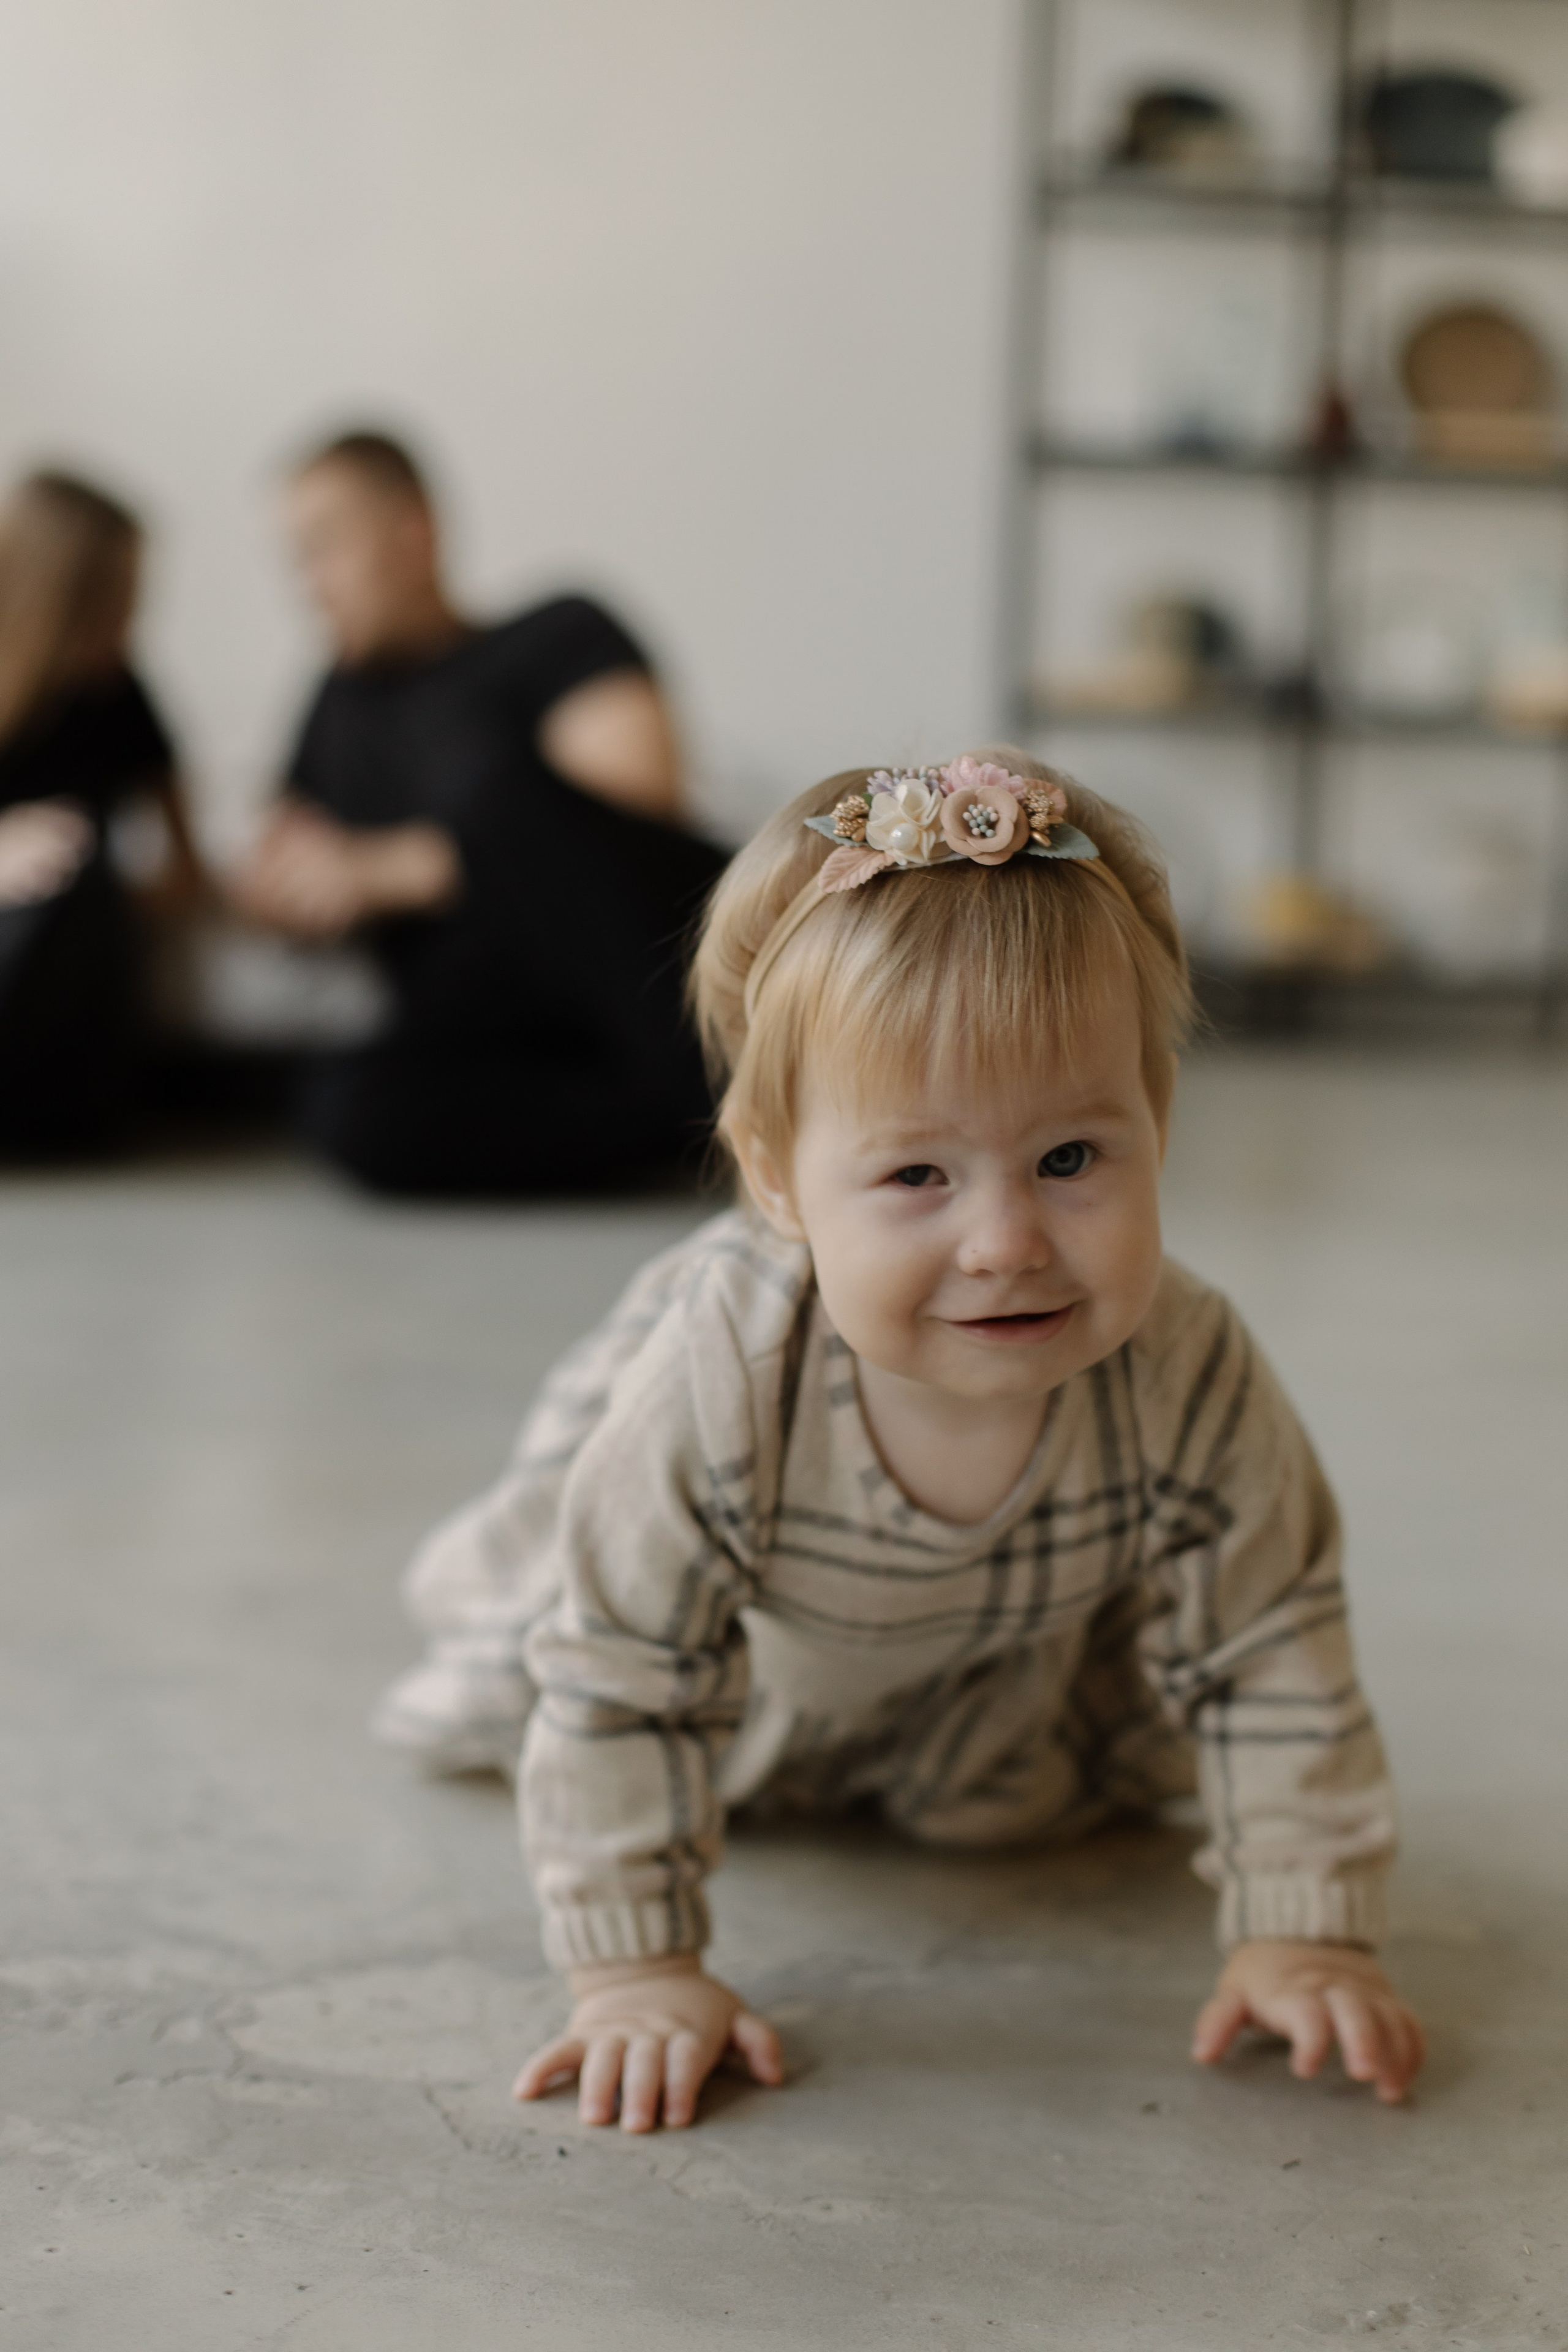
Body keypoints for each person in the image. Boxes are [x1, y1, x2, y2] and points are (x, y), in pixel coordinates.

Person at [372, 750, 1425, 2132]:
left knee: (1030, 1801)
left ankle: (930, 1754)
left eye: (1069, 1160)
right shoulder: (725, 1373)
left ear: (1153, 1124)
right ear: (774, 1177)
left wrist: (1305, 1926)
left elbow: (1267, 1641)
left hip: (998, 1675)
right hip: (740, 1663)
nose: (1005, 1244)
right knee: (580, 1675)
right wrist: (636, 1972)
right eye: (916, 1175)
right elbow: (626, 1676)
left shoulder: (1185, 1364)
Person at [232, 429, 727, 1196]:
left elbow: (627, 818)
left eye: (324, 546)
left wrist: (384, 871)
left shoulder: (558, 632)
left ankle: (722, 1096)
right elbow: (272, 871)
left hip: (655, 981)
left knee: (497, 795)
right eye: (295, 558)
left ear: (413, 535)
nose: (308, 583)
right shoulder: (337, 704)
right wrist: (307, 889)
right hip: (516, 1037)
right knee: (350, 1110)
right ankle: (705, 1123)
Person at [0, 470, 204, 1155]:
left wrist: (97, 884)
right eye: (114, 598)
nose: (130, 619)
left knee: (73, 868)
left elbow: (186, 870)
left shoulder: (121, 700)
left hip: (75, 941)